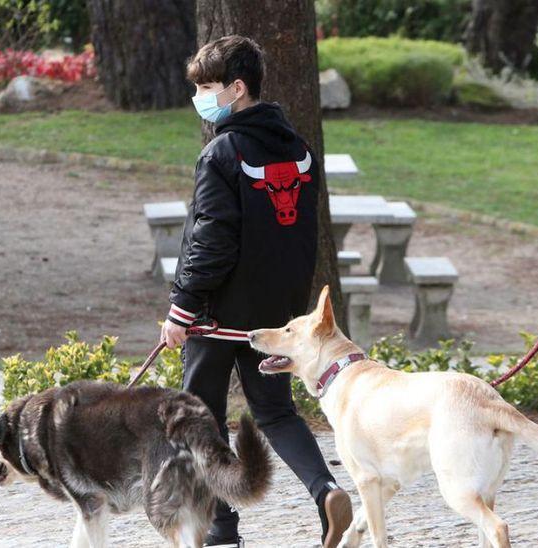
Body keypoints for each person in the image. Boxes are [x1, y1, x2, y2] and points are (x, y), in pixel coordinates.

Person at [159, 35, 353, 548]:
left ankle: (222, 532)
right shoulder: (298, 148)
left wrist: (182, 307)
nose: (200, 96)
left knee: (202, 419)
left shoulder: (221, 152)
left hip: (217, 313)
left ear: (237, 89)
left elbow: (212, 238)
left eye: (207, 86)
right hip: (274, 315)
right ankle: (326, 489)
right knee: (276, 412)